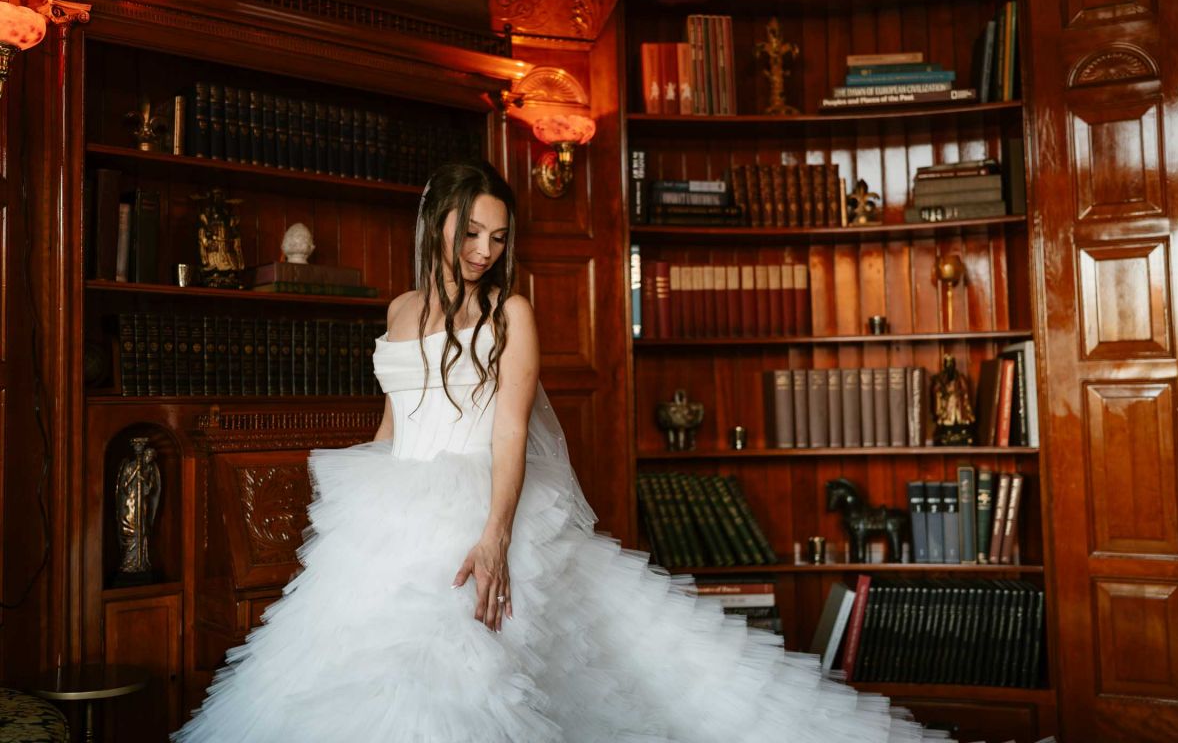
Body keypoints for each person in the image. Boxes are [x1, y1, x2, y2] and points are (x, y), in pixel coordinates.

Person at [174, 161, 946, 742]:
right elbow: (393, 420)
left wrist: (495, 537)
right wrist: (352, 510)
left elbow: (509, 429)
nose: (484, 249)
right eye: (471, 232)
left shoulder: (511, 313)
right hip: (392, 503)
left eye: (498, 237)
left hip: (477, 504)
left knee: (455, 672)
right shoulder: (400, 308)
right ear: (436, 222)